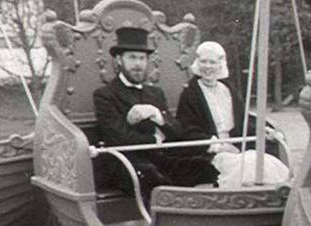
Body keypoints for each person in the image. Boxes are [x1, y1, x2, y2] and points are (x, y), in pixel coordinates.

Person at [92, 27, 218, 203]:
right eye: (132, 58)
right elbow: (117, 137)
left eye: (142, 58)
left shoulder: (155, 93)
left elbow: (177, 132)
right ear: (119, 60)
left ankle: (200, 219)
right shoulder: (105, 95)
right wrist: (156, 140)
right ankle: (164, 225)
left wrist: (157, 114)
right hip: (126, 164)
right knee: (153, 176)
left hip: (160, 159)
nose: (138, 64)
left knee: (205, 167)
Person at [175, 41, 291, 188]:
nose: (208, 67)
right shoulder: (190, 93)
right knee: (247, 165)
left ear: (220, 65)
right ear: (197, 64)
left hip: (237, 146)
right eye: (203, 62)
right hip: (208, 151)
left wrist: (265, 130)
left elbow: (243, 120)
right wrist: (218, 146)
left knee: (265, 162)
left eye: (212, 62)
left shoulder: (228, 89)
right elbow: (187, 129)